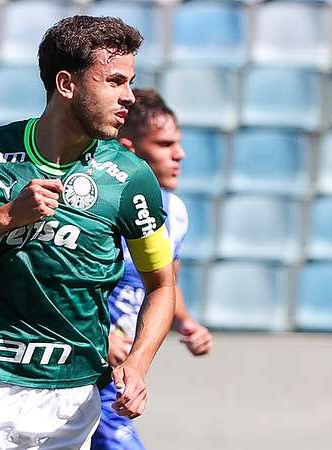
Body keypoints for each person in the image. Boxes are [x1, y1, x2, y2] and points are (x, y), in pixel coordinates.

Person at [0, 15, 176, 450]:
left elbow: (162, 285)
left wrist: (138, 363)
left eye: (130, 82)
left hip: (69, 399)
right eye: (114, 82)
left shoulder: (130, 177)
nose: (129, 97)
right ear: (67, 84)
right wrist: (5, 216)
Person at [91, 89, 213, 450]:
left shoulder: (173, 212)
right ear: (130, 149)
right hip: (75, 367)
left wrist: (186, 323)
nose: (180, 154)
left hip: (117, 378)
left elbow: (163, 285)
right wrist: (102, 336)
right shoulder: (98, 205)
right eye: (164, 144)